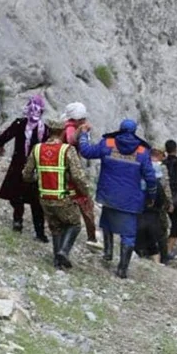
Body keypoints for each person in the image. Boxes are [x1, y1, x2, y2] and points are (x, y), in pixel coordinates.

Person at [78, 119, 157, 279]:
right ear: (134, 131)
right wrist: (152, 196)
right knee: (128, 235)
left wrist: (84, 135)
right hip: (130, 200)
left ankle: (108, 253)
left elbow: (86, 151)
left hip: (108, 194)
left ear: (120, 129)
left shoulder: (108, 143)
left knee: (107, 222)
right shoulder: (142, 151)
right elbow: (150, 177)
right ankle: (122, 269)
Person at [22, 119, 93, 270]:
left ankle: (57, 262)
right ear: (62, 133)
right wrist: (85, 192)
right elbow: (78, 176)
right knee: (74, 224)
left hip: (44, 197)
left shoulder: (37, 149)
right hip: (63, 197)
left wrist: (38, 178)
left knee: (56, 228)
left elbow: (26, 174)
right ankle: (63, 252)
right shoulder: (67, 150)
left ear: (48, 132)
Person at [0, 95, 48, 242]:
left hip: (18, 165)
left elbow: (5, 136)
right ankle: (40, 233)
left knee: (16, 195)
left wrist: (0, 146)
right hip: (37, 169)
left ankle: (17, 221)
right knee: (36, 201)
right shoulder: (44, 129)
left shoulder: (19, 124)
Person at [62, 102, 101, 249]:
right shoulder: (71, 128)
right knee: (85, 201)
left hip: (63, 169)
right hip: (71, 170)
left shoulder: (64, 125)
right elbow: (72, 140)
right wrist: (82, 132)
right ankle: (91, 237)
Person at [136, 149, 173, 264]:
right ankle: (163, 261)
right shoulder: (158, 185)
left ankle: (140, 256)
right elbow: (163, 199)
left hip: (140, 216)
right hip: (154, 217)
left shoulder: (139, 182)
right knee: (160, 238)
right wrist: (168, 205)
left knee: (141, 240)